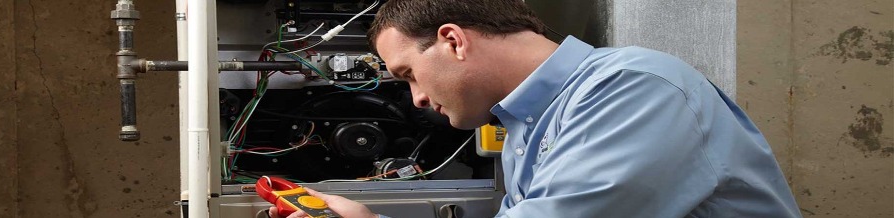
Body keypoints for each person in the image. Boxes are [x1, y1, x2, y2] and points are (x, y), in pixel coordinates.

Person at [272, 0, 802, 217]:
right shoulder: (525, 122)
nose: (416, 100)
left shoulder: (633, 88)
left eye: (408, 74)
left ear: (454, 41)